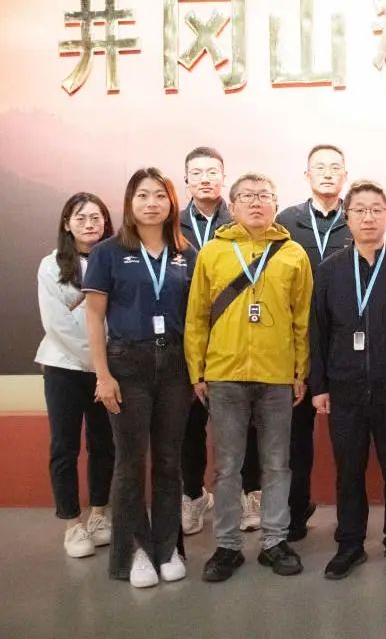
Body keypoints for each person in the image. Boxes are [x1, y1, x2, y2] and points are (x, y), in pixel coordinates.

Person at [185, 173, 313, 582]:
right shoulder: (212, 253)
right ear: (233, 204)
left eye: (264, 196)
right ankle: (227, 546)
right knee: (227, 467)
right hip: (224, 374)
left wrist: (301, 370)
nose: (256, 202)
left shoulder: (293, 254)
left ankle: (275, 541)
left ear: (276, 203)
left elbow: (302, 318)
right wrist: (197, 370)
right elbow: (196, 316)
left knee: (277, 465)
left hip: (277, 375)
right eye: (247, 196)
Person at [309, 181, 386, 580]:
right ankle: (350, 544)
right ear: (347, 217)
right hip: (344, 390)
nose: (368, 217)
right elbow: (318, 331)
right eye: (360, 209)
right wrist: (319, 386)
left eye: (376, 209)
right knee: (349, 471)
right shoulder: (330, 271)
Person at [83, 168, 196, 587]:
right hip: (127, 364)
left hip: (176, 366)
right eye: (143, 195)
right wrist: (103, 375)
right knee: (130, 463)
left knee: (168, 461)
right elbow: (94, 316)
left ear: (171, 203)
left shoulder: (187, 252)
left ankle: (167, 549)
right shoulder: (108, 252)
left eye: (160, 196)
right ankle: (135, 553)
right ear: (130, 202)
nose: (152, 203)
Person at [177, 146, 260, 536]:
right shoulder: (171, 225)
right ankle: (193, 496)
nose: (205, 178)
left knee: (246, 425)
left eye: (213, 172)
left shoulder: (242, 220)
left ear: (224, 179)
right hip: (188, 337)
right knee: (190, 425)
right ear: (186, 181)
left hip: (238, 338)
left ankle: (249, 494)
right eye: (197, 173)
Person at [275, 144, 351, 541]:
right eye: (319, 167)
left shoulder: (357, 216)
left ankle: (350, 522)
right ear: (307, 176)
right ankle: (295, 511)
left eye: (335, 167)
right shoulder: (286, 221)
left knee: (349, 436)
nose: (327, 173)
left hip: (345, 342)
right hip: (298, 341)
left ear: (345, 175)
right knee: (296, 435)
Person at [36, 192, 115, 559]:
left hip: (109, 371)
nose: (89, 224)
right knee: (64, 447)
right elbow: (59, 324)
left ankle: (100, 513)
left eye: (96, 217)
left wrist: (106, 369)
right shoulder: (51, 265)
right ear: (67, 224)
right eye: (80, 217)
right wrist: (98, 364)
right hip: (64, 369)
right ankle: (72, 523)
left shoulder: (116, 258)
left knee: (104, 443)